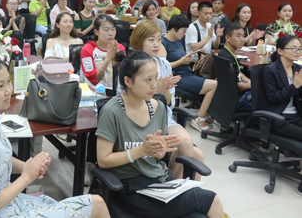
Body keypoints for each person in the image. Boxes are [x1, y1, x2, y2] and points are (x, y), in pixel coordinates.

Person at [0, 55, 110, 217]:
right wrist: (27, 176)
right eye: (0, 86)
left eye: (8, 81)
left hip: (11, 204)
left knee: (95, 203)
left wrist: (27, 166)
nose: (8, 90)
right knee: (96, 204)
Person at [96, 50, 224, 218]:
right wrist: (142, 150)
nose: (154, 85)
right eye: (148, 80)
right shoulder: (112, 111)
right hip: (128, 189)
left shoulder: (158, 107)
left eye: (156, 78)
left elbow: (159, 157)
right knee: (211, 200)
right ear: (128, 81)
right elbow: (103, 160)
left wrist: (159, 151)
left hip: (159, 183)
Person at [129, 20, 205, 179]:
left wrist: (164, 91)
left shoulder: (164, 64)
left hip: (163, 117)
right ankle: (173, 187)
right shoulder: (130, 65)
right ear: (139, 41)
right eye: (151, 40)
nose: (156, 44)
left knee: (198, 155)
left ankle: (184, 192)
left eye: (158, 39)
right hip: (138, 119)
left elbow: (169, 104)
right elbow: (127, 103)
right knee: (186, 146)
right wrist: (155, 90)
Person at [162, 15, 217, 131]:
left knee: (217, 81)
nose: (184, 34)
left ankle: (209, 115)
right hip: (177, 77)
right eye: (183, 31)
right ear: (174, 29)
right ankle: (199, 118)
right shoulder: (163, 43)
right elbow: (163, 66)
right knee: (214, 85)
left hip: (187, 73)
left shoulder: (178, 41)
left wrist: (185, 58)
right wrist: (181, 61)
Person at [263, 34, 302, 142]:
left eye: (299, 49)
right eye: (293, 48)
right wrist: (294, 86)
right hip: (278, 116)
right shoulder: (271, 70)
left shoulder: (298, 69)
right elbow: (273, 98)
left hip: (296, 114)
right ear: (280, 51)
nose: (297, 52)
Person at [81, 15, 126, 93]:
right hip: (94, 92)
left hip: (117, 92)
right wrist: (108, 58)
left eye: (113, 29)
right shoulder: (87, 49)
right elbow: (93, 79)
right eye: (106, 30)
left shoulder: (120, 48)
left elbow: (124, 74)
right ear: (96, 32)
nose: (111, 33)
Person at [218, 23, 253, 112]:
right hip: (234, 100)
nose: (242, 39)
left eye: (243, 36)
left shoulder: (225, 52)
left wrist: (249, 81)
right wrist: (251, 85)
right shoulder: (228, 58)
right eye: (238, 36)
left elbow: (237, 72)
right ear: (228, 38)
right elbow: (235, 86)